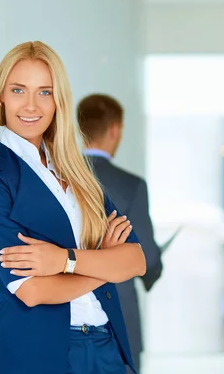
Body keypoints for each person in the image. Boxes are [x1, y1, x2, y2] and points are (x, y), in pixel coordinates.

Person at [0, 41, 146, 374]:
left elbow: (135, 260)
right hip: (39, 348)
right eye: (19, 90)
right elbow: (33, 290)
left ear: (58, 100)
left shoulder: (75, 169)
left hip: (105, 342)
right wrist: (104, 264)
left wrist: (63, 260)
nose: (31, 105)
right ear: (0, 96)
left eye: (45, 92)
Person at [77, 94, 163, 373]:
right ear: (114, 130)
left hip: (65, 308)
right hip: (119, 314)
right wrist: (153, 269)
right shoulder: (132, 185)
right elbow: (146, 256)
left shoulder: (58, 176)